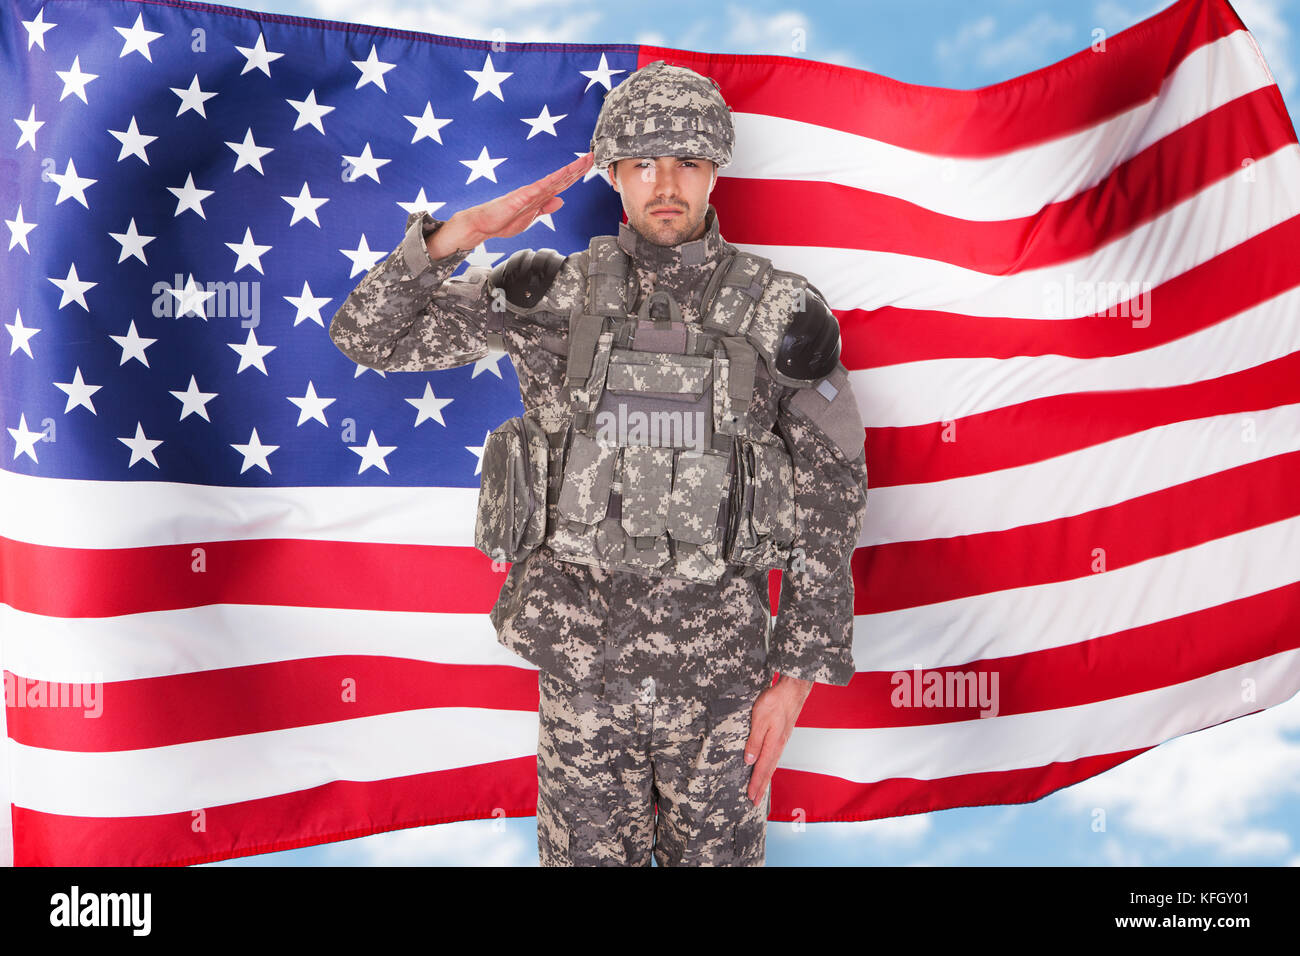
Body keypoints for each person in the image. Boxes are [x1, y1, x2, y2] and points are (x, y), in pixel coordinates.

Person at [328, 60, 869, 866]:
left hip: (720, 688)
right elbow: (366, 337)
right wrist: (462, 233)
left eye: (686, 162)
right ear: (613, 172)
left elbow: (833, 494)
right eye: (643, 163)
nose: (665, 184)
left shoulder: (779, 312)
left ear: (715, 169)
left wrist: (794, 678)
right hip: (585, 680)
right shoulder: (550, 295)